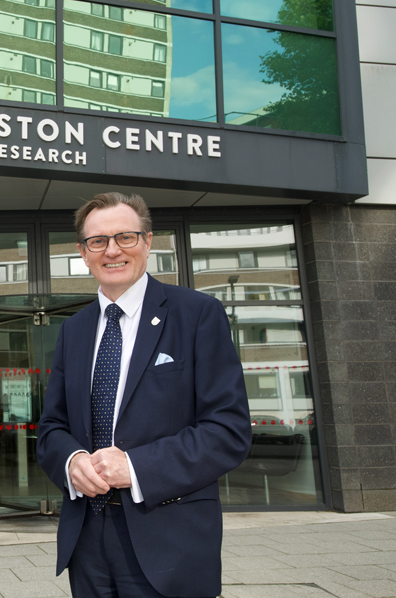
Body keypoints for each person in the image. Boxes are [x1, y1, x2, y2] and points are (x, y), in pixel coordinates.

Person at [36, 192, 251, 598]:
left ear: (148, 242)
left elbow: (228, 430)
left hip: (170, 541)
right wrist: (71, 460)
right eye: (98, 241)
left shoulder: (198, 314)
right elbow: (52, 427)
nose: (112, 250)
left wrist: (135, 467)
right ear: (83, 253)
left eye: (125, 237)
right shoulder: (74, 330)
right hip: (86, 540)